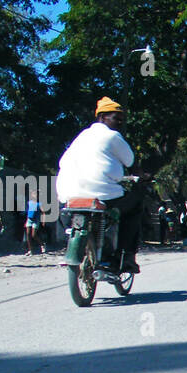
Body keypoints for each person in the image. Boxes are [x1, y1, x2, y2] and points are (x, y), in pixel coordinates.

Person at [55, 96, 141, 274]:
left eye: (121, 120)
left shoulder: (82, 136)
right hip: (101, 193)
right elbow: (130, 160)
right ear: (102, 117)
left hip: (69, 193)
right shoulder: (112, 136)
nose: (119, 122)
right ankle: (125, 256)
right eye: (115, 118)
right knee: (135, 204)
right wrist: (144, 176)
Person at [24, 186, 46, 256]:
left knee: (34, 235)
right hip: (29, 220)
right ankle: (30, 250)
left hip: (35, 220)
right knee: (28, 234)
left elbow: (43, 212)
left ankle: (42, 244)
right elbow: (27, 211)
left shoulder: (39, 204)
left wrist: (43, 221)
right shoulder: (29, 202)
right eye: (33, 194)